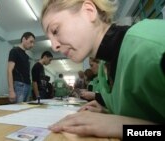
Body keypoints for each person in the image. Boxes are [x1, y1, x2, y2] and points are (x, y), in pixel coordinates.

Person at [41, 0, 165, 139]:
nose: (53, 46)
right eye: (50, 38)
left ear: (89, 11)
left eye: (55, 30)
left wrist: (122, 126)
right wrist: (108, 110)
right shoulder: (104, 68)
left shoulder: (151, 45)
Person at [7, 32, 35, 103]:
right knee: (17, 111)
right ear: (23, 39)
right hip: (19, 85)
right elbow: (9, 70)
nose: (32, 45)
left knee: (25, 111)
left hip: (28, 85)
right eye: (31, 42)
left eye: (33, 43)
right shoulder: (14, 51)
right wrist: (11, 90)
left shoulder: (26, 56)